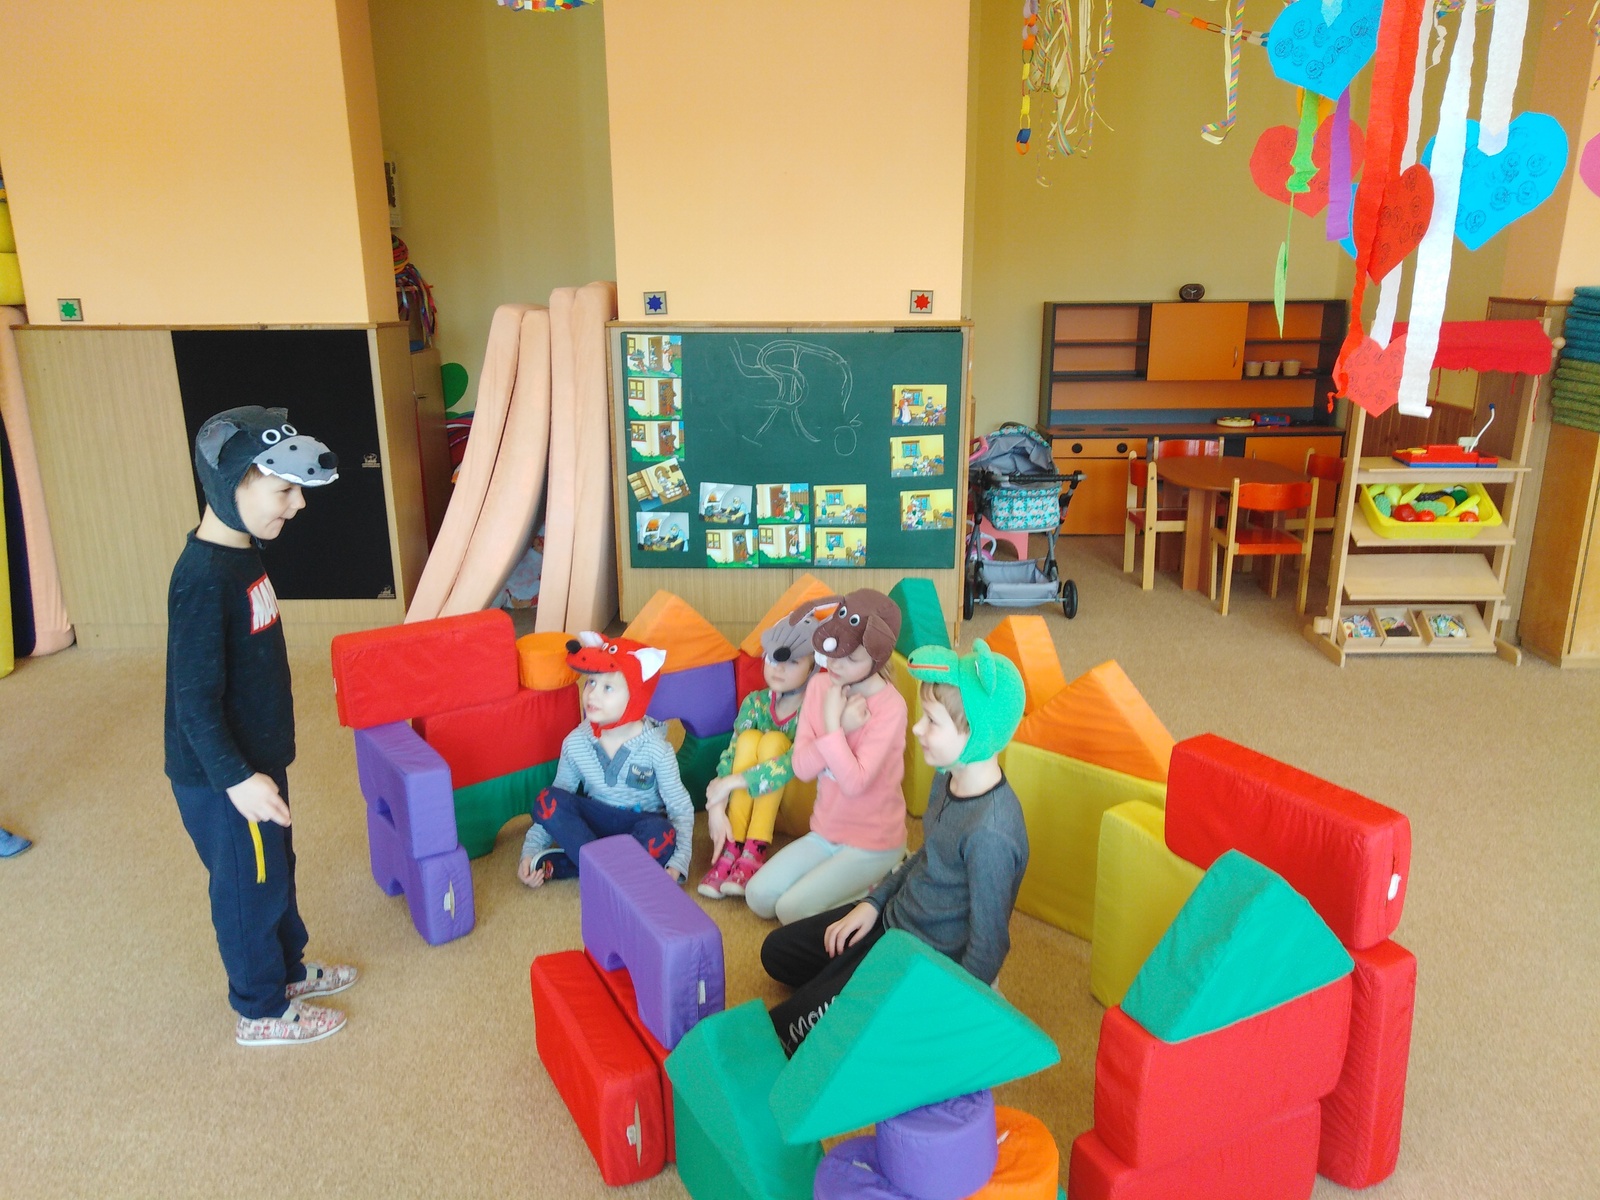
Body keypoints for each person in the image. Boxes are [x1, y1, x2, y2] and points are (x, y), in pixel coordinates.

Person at [166, 406, 356, 1048]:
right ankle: (261, 1009)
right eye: (283, 491)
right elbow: (193, 703)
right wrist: (237, 779)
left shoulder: (242, 553)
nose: (297, 505)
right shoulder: (202, 579)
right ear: (232, 487)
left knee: (275, 868)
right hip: (225, 776)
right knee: (248, 889)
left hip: (256, 758)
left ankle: (289, 971)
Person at [761, 640, 1028, 1053]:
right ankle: (856, 991)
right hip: (893, 921)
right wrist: (872, 904)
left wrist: (951, 1007)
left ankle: (875, 1002)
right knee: (777, 953)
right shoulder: (948, 775)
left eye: (932, 721)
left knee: (784, 1035)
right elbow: (926, 856)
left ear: (975, 732)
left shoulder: (990, 833)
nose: (918, 729)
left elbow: (989, 944)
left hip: (920, 959)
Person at [744, 590, 908, 925]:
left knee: (791, 911)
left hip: (874, 842)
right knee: (758, 896)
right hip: (825, 833)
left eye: (851, 658)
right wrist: (839, 727)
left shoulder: (891, 707)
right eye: (834, 651)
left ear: (877, 658)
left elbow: (855, 783)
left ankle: (884, 884)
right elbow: (801, 767)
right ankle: (860, 885)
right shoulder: (820, 688)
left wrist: (833, 727)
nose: (835, 663)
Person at [518, 633, 693, 886]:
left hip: (638, 826)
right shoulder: (576, 741)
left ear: (635, 696)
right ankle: (609, 869)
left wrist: (678, 863)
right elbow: (559, 798)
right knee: (547, 800)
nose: (592, 694)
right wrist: (530, 850)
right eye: (590, 682)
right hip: (593, 822)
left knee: (662, 835)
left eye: (607, 687)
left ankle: (577, 864)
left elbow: (680, 808)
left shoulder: (657, 750)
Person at [697, 603, 823, 899]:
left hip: (801, 811)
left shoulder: (814, 707)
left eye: (793, 661)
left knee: (774, 742)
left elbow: (794, 762)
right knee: (749, 739)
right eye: (773, 657)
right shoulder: (755, 702)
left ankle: (754, 850)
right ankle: (733, 846)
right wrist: (715, 807)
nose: (778, 668)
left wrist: (732, 783)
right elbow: (731, 755)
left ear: (813, 667)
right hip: (758, 806)